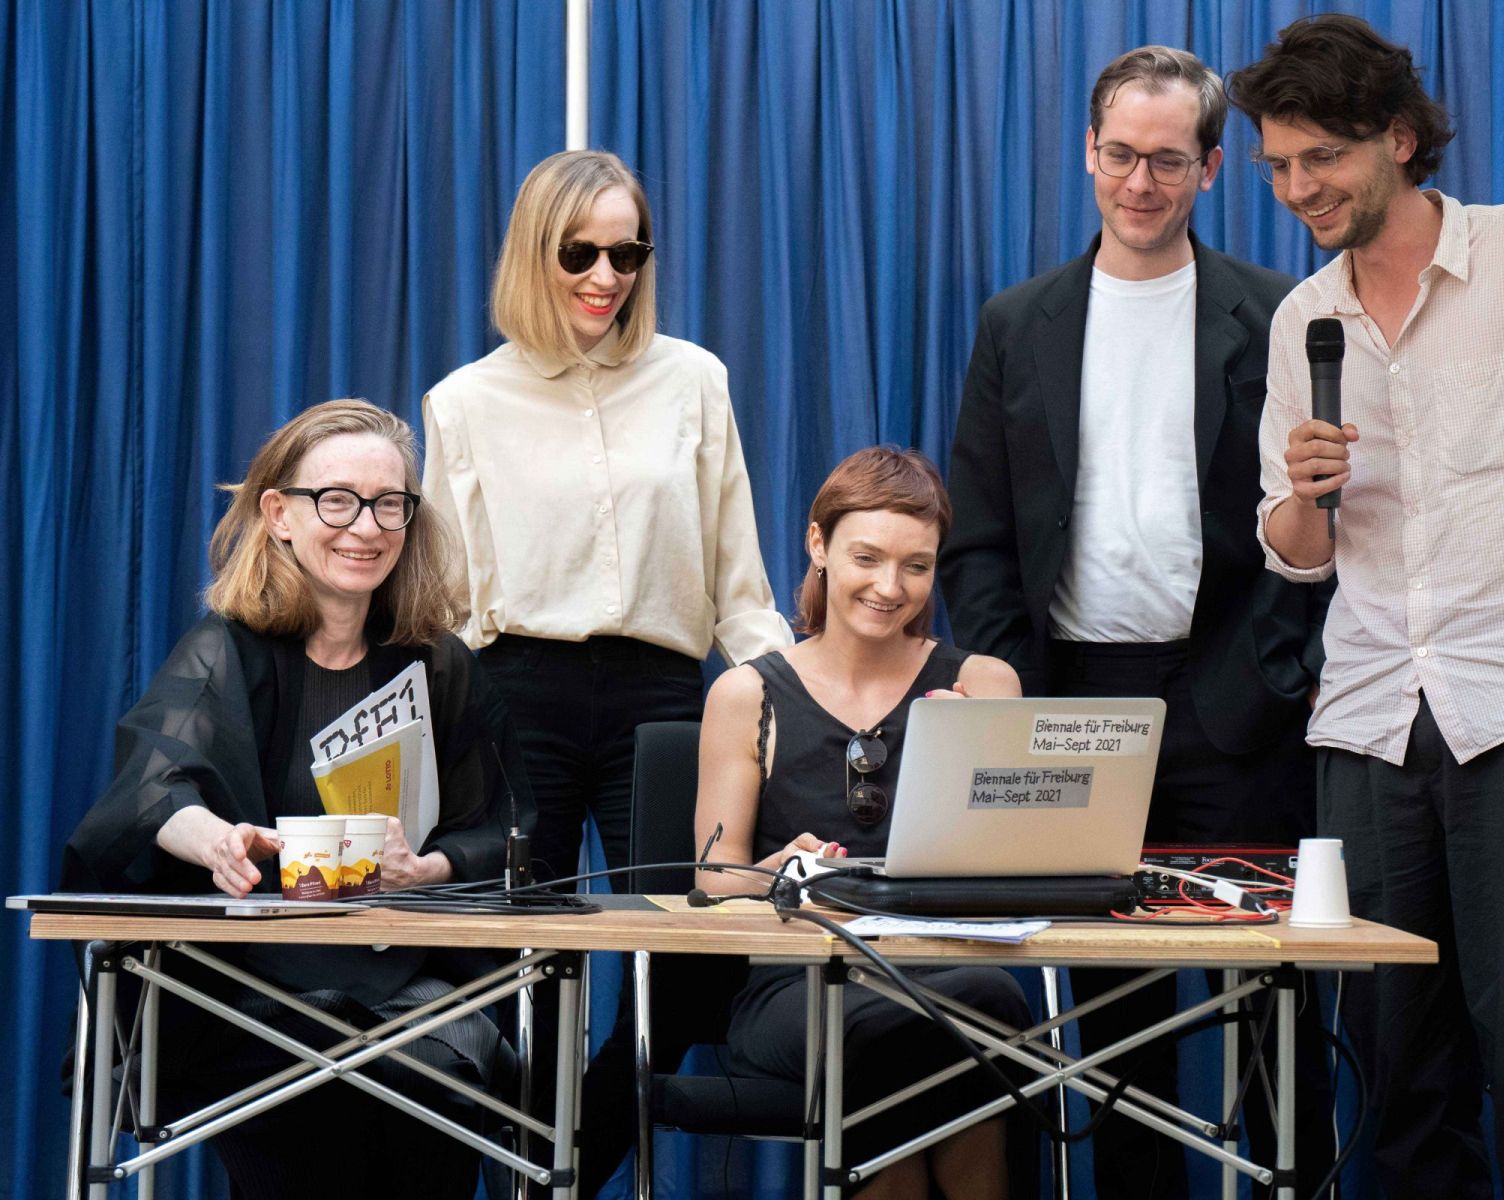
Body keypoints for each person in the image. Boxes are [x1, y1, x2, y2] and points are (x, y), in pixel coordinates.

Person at [1231, 14, 1504, 1199]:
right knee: (1394, 1066)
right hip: (1369, 720)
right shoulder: (1299, 318)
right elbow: (1297, 557)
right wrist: (1306, 494)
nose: (1298, 187)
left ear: (1401, 139)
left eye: (1322, 156)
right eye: (1277, 164)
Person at [938, 45, 1333, 1197]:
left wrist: (1266, 677)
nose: (1141, 183)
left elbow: (1312, 524)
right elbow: (980, 539)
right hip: (1073, 709)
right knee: (1116, 1028)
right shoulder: (1019, 322)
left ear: (1213, 167)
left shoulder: (1278, 313)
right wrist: (1021, 694)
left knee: (1274, 1014)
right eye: (1121, 155)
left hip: (1233, 701)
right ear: (1089, 155)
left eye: (1169, 160)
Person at [420, 148, 793, 1185]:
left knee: (684, 967)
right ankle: (531, 1168)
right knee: (511, 971)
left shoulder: (694, 379)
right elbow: (443, 605)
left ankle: (566, 1172)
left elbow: (739, 585)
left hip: (665, 702)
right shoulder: (462, 403)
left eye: (627, 250)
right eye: (579, 251)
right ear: (532, 253)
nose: (605, 275)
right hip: (513, 698)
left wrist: (797, 705)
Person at [61, 399, 529, 1199]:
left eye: (391, 504)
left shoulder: (441, 666)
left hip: (414, 980)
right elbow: (153, 785)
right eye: (338, 500)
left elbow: (509, 832)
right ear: (278, 514)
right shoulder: (224, 652)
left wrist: (429, 866)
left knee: (434, 1089)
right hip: (257, 993)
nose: (368, 527)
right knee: (315, 1096)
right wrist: (215, 841)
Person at [696, 447, 1029, 1199]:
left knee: (962, 1003)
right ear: (818, 545)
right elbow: (713, 880)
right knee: (959, 1015)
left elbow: (1019, 872)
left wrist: (973, 766)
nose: (890, 587)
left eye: (916, 566)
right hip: (798, 985)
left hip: (948, 962)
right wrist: (778, 867)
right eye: (867, 558)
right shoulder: (748, 693)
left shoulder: (983, 684)